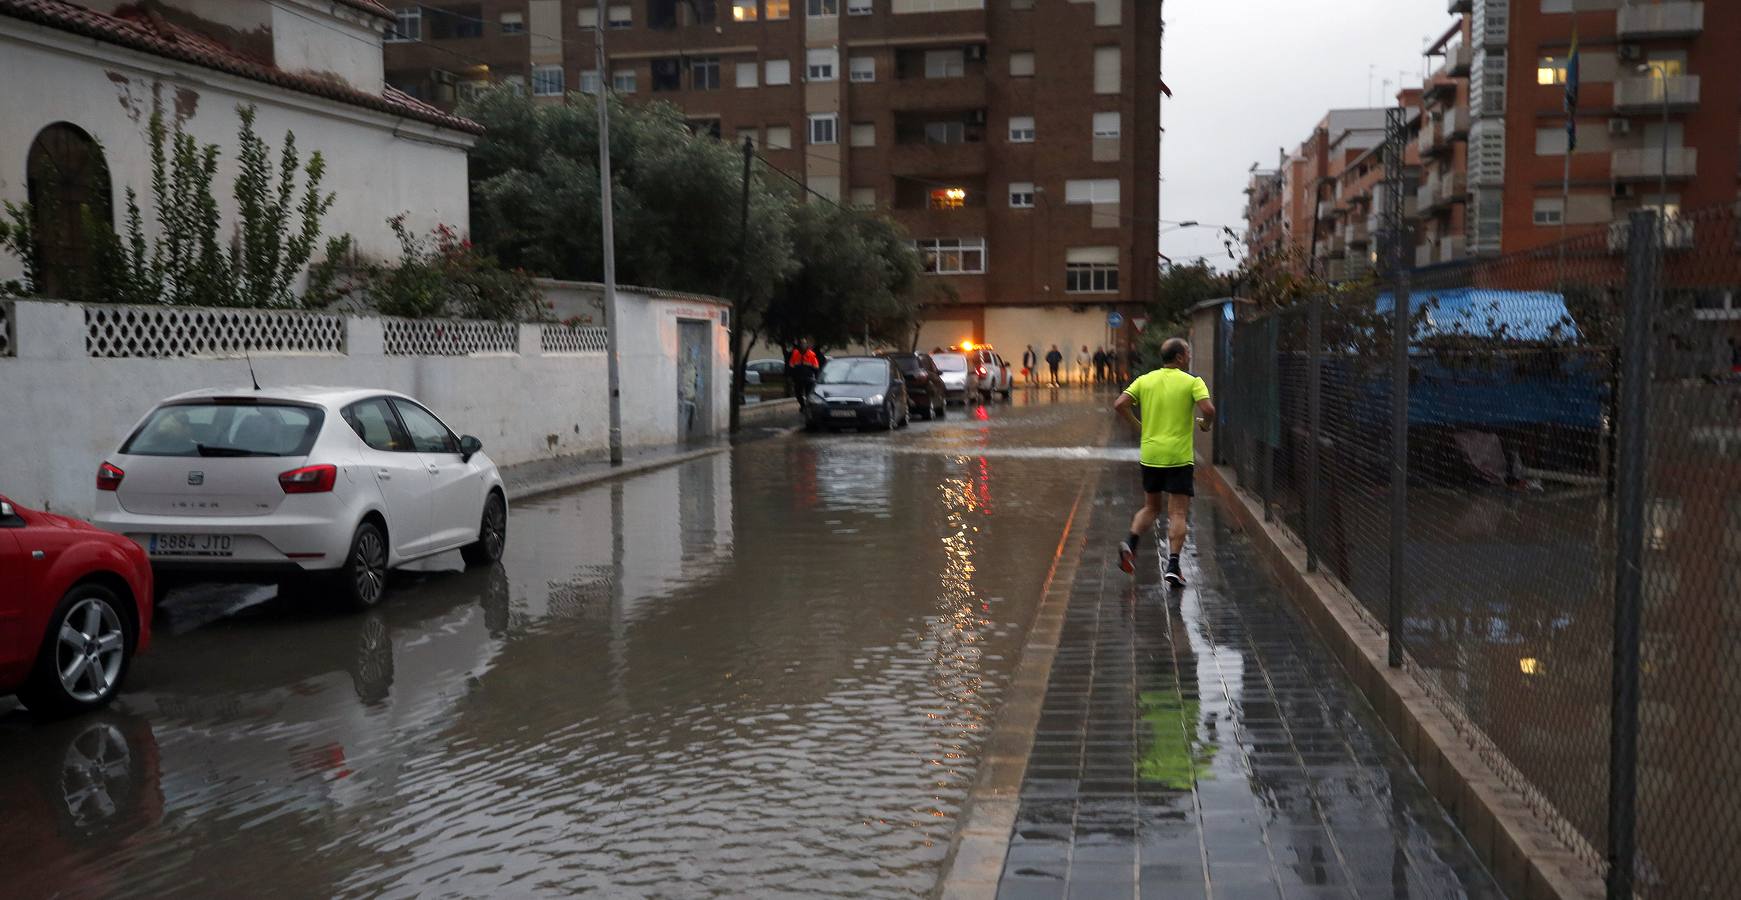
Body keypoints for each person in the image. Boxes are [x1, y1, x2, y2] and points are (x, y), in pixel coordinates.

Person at [1114, 337, 1215, 586]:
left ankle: (1131, 543)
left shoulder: (1145, 380)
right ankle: (1173, 565)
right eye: (1188, 352)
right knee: (1178, 511)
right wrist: (1206, 425)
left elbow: (1119, 404)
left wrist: (1139, 426)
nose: (1190, 355)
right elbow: (1209, 409)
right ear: (1179, 357)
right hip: (1178, 457)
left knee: (1150, 507)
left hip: (1150, 456)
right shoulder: (1192, 382)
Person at [788, 340, 820, 408]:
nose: (802, 346)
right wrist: (791, 377)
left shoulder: (811, 354)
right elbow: (791, 366)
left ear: (806, 345)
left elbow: (816, 368)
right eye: (801, 344)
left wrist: (809, 365)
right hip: (798, 378)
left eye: (804, 344)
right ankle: (802, 405)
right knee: (798, 394)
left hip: (808, 378)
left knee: (808, 394)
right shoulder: (795, 353)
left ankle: (808, 407)